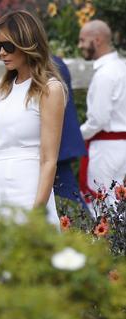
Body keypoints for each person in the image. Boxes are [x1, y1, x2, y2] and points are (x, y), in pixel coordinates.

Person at [0, 10, 65, 234]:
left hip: (26, 187)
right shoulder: (4, 87)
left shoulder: (49, 89)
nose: (2, 52)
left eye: (8, 46)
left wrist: (36, 212)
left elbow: (49, 160)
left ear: (27, 44)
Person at [77, 19, 126, 213]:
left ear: (97, 40)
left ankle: (103, 245)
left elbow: (98, 119)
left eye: (82, 40)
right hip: (120, 147)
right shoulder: (122, 67)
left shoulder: (105, 74)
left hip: (106, 149)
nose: (80, 45)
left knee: (103, 206)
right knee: (118, 204)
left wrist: (75, 136)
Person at [51, 55, 87, 209]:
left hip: (53, 151)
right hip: (56, 149)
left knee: (69, 206)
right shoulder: (55, 63)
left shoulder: (51, 65)